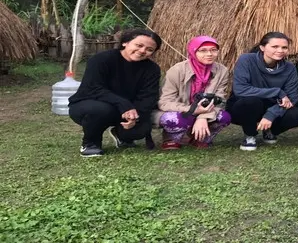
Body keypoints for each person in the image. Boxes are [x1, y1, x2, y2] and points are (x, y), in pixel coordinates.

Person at [69, 29, 162, 157]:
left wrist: (136, 116)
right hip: (91, 104)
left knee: (142, 128)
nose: (142, 51)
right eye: (139, 45)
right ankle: (91, 143)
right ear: (125, 43)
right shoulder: (101, 60)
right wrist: (124, 104)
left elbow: (148, 96)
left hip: (128, 111)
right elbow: (94, 88)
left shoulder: (152, 69)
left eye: (149, 49)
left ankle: (121, 135)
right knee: (100, 110)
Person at [227, 32, 298, 151]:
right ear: (262, 47)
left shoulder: (289, 67)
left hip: (272, 105)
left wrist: (271, 114)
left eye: (284, 47)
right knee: (251, 101)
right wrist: (277, 92)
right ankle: (250, 135)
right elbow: (241, 89)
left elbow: (292, 97)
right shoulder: (246, 60)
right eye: (275, 47)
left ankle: (269, 130)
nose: (280, 50)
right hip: (244, 106)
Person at [153, 36, 232, 150]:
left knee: (223, 117)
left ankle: (199, 138)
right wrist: (192, 110)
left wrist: (202, 117)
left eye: (213, 50)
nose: (209, 54)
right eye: (203, 50)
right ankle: (172, 138)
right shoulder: (177, 70)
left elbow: (219, 99)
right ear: (193, 51)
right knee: (173, 119)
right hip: (180, 111)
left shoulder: (221, 71)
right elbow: (164, 102)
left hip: (206, 111)